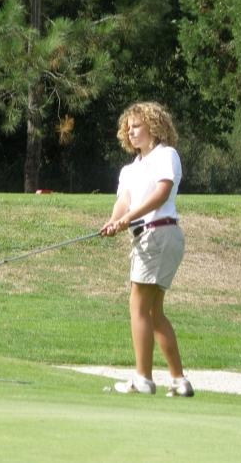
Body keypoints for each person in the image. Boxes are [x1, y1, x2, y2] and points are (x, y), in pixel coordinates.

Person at [101, 102, 194, 397]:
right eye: (128, 128)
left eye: (137, 126)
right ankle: (179, 381)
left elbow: (161, 193)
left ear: (154, 128)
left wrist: (128, 218)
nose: (131, 131)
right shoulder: (130, 170)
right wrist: (114, 221)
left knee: (137, 306)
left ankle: (143, 379)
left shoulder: (166, 155)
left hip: (159, 233)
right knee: (154, 311)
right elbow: (123, 202)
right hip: (149, 237)